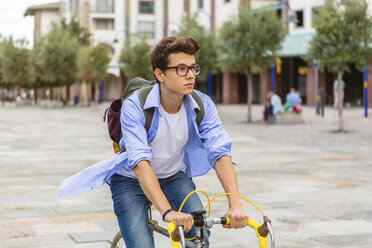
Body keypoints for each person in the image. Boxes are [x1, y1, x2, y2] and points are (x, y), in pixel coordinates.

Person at [58, 36, 248, 248]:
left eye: (194, 68)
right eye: (181, 69)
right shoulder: (135, 106)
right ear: (160, 74)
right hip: (130, 180)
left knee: (198, 234)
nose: (190, 75)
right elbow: (139, 162)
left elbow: (220, 152)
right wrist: (167, 212)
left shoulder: (201, 104)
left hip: (173, 176)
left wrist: (236, 205)